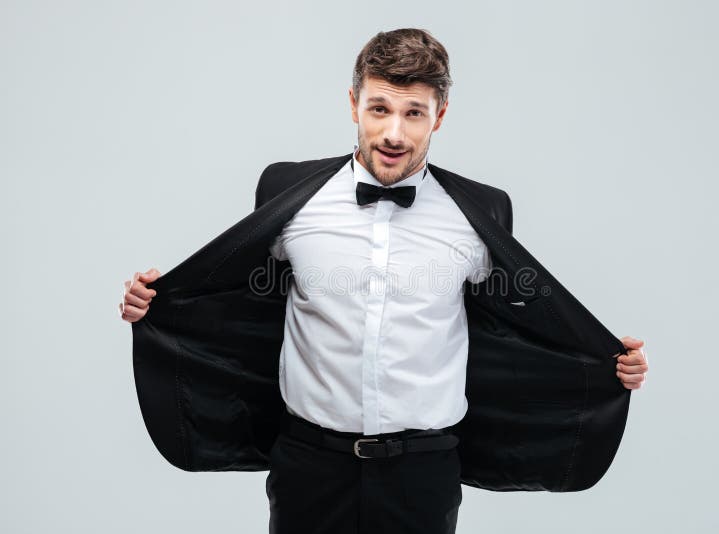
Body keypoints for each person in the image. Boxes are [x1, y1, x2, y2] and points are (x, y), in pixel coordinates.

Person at [119, 28, 648, 534]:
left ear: (439, 116)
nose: (394, 132)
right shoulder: (286, 193)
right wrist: (161, 302)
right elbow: (236, 297)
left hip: (422, 472)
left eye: (413, 112)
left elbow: (520, 331)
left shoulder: (482, 213)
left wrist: (605, 363)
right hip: (308, 465)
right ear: (353, 104)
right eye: (379, 109)